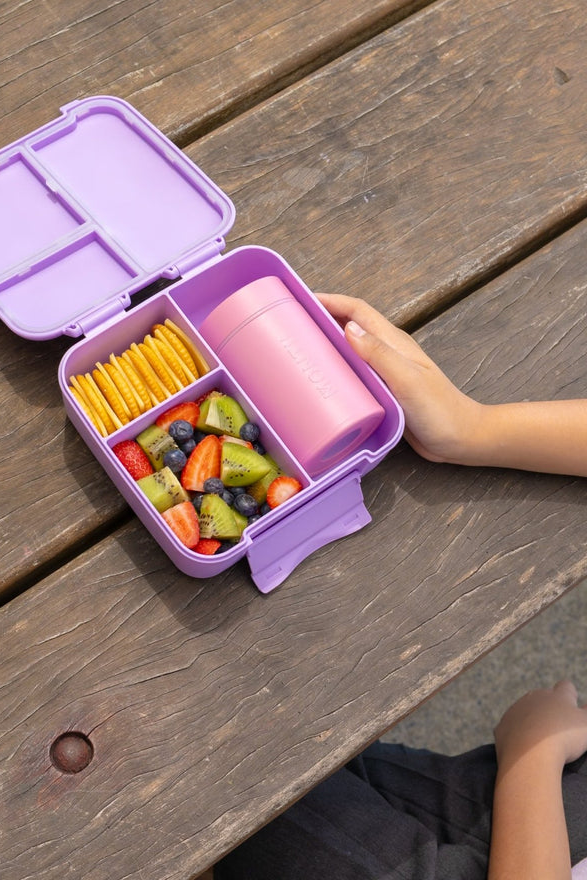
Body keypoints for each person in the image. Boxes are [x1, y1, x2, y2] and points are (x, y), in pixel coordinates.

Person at [213, 295, 587, 880]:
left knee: (233, 782)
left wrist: (534, 754)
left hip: (543, 771)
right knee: (301, 771)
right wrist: (473, 428)